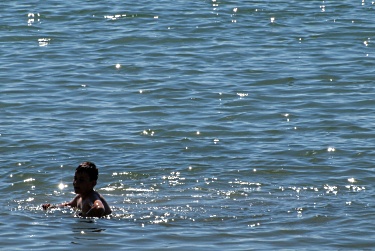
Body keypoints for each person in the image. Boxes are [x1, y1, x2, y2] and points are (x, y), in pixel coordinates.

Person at [42, 161, 112, 217]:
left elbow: (99, 209)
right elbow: (69, 205)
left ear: (93, 183)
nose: (76, 182)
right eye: (75, 178)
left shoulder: (92, 197)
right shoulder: (79, 197)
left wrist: (83, 216)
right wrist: (52, 207)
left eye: (81, 180)